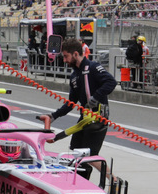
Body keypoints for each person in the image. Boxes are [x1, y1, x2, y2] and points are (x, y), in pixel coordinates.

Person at [40, 37, 118, 171]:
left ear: (76, 54)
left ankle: (114, 181)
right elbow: (71, 103)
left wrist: (96, 97)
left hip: (97, 118)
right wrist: (54, 116)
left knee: (90, 155)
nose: (64, 60)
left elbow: (111, 82)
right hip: (85, 118)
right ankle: (82, 182)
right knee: (76, 152)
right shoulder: (75, 76)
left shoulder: (93, 67)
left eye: (66, 56)